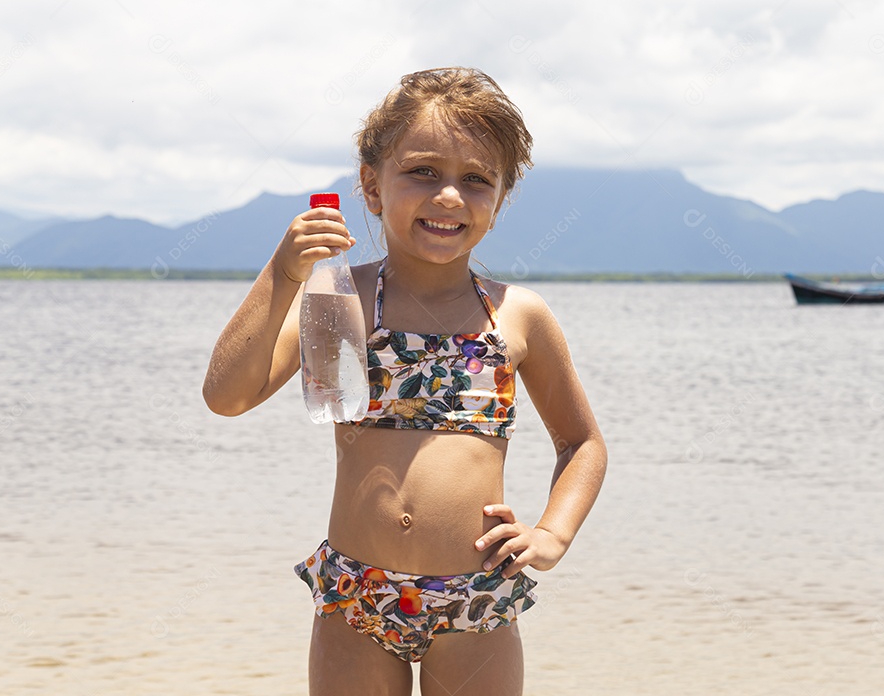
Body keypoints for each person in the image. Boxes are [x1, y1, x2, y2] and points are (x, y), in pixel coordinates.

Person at [202, 67, 607, 696]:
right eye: (423, 171)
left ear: (497, 203)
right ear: (371, 186)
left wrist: (552, 532)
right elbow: (227, 396)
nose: (449, 196)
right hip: (357, 592)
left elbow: (581, 443)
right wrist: (283, 274)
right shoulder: (337, 300)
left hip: (475, 596)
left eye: (476, 180)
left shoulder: (517, 315)